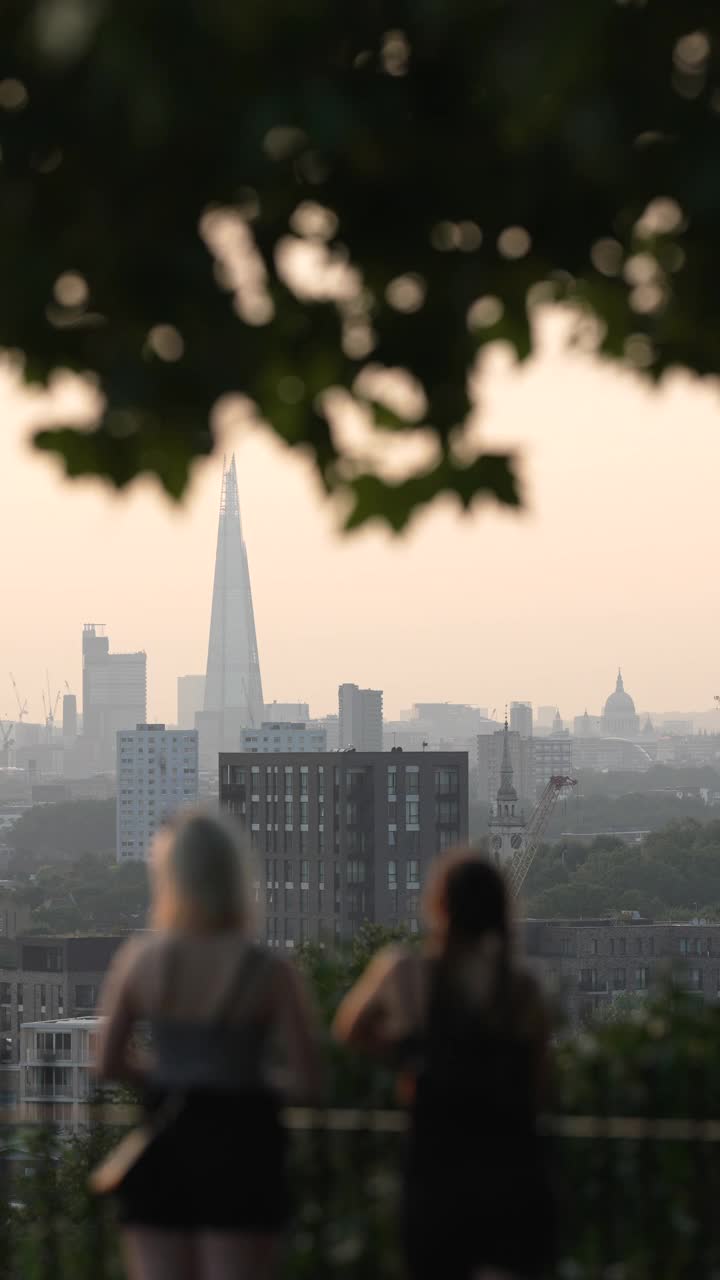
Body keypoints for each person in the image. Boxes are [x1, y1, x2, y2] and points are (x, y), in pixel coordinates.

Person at [96, 811, 321, 1280]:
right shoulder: (269, 970)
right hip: (245, 1150)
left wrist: (170, 1072)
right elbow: (309, 1080)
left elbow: (108, 1062)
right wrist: (243, 1078)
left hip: (165, 1145)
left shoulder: (142, 961)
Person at [333, 850, 555, 1280]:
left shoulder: (404, 972)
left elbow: (349, 1030)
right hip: (513, 1173)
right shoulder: (522, 988)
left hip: (436, 1175)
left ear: (439, 906)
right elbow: (539, 1084)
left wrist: (407, 1054)